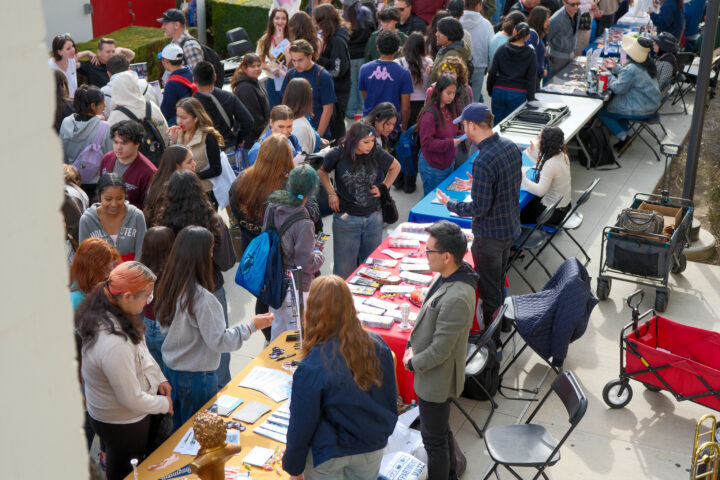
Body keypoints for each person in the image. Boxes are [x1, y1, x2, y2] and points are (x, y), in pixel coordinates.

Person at [155, 226, 272, 429]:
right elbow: (220, 341)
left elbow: (162, 328)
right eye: (210, 250)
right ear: (200, 255)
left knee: (180, 431)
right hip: (197, 376)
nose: (212, 254)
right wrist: (252, 326)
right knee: (199, 434)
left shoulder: (169, 285)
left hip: (173, 369)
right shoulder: (202, 298)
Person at [283, 275, 397, 480]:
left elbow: (301, 423)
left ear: (313, 311)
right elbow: (389, 398)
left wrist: (294, 468)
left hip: (329, 453)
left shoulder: (313, 365)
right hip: (371, 445)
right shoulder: (378, 344)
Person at [76, 261, 171, 480]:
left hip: (114, 416)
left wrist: (158, 377)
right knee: (124, 472)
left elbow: (142, 347)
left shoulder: (113, 308)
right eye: (147, 295)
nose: (150, 301)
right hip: (122, 424)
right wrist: (163, 404)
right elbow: (131, 398)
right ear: (128, 296)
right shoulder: (114, 343)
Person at [402, 220, 478, 480]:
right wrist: (412, 344)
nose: (425, 255)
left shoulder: (457, 296)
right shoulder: (448, 276)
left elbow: (440, 351)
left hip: (437, 380)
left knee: (433, 442)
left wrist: (412, 362)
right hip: (433, 375)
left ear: (447, 257)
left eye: (429, 251)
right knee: (440, 431)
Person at [436, 103, 522, 326]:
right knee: (498, 283)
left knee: (489, 294)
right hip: (509, 230)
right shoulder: (510, 146)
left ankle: (493, 350)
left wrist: (450, 204)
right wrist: (477, 184)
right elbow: (507, 183)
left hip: (490, 237)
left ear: (472, 125)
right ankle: (503, 326)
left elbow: (479, 209)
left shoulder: (483, 159)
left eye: (464, 125)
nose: (463, 129)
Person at [152, 170, 237, 387]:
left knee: (180, 340)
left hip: (174, 291)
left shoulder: (162, 225)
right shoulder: (213, 221)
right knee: (219, 340)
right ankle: (220, 389)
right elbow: (227, 262)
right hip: (210, 288)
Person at [230, 135, 295, 341]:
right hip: (279, 252)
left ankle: (267, 334)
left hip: (253, 246)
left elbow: (235, 213)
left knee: (262, 293)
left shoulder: (242, 179)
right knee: (281, 295)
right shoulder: (288, 185)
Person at [318, 121, 401, 279]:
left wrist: (383, 187)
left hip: (374, 218)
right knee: (344, 272)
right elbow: (322, 171)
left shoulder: (375, 151)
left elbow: (395, 167)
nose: (370, 145)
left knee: (372, 268)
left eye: (372, 141)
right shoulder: (339, 153)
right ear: (354, 140)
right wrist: (331, 193)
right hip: (346, 220)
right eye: (366, 142)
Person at [263, 165, 325, 340]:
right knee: (297, 338)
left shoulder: (272, 207)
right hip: (295, 286)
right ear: (311, 191)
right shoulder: (304, 222)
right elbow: (305, 263)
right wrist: (319, 254)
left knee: (278, 333)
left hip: (273, 281)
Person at [598, 35, 662, 151]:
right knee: (614, 108)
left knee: (602, 111)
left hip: (641, 109)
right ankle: (623, 134)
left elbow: (618, 88)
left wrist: (607, 75)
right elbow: (629, 74)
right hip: (650, 106)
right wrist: (615, 67)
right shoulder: (648, 64)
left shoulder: (632, 68)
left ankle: (624, 137)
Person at [166, 97, 224, 209]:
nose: (179, 121)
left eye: (184, 117)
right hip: (180, 191)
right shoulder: (178, 134)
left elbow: (216, 169)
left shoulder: (208, 137)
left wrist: (191, 177)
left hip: (203, 192)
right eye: (178, 116)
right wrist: (172, 142)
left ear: (196, 118)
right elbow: (171, 163)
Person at [79, 173, 147, 262]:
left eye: (119, 198)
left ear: (125, 196)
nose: (114, 204)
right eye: (108, 199)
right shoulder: (87, 220)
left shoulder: (137, 216)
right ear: (99, 197)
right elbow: (84, 256)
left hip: (131, 273)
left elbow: (141, 253)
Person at [59, 86, 113, 197]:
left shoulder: (66, 122)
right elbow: (110, 157)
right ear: (93, 106)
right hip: (95, 183)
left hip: (71, 181)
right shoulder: (104, 127)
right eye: (102, 103)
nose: (105, 105)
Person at [281, 39, 337, 138]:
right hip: (294, 133)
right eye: (293, 60)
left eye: (300, 60)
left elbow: (328, 110)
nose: (296, 64)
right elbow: (284, 105)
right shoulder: (290, 74)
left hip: (316, 132)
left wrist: (317, 137)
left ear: (310, 56)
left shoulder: (323, 76)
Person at [359, 29, 414, 130]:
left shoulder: (364, 69)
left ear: (378, 48)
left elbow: (365, 97)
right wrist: (404, 128)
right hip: (392, 126)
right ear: (397, 49)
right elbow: (405, 108)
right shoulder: (404, 73)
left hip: (368, 124)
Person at [193, 61, 253, 151]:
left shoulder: (191, 104)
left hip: (204, 151)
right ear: (215, 77)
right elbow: (248, 121)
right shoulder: (228, 96)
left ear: (194, 80)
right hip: (228, 146)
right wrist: (238, 138)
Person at [418, 75, 464, 195]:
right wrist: (451, 143)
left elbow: (453, 131)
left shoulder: (450, 109)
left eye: (454, 93)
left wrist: (466, 133)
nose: (451, 96)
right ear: (438, 91)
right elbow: (427, 143)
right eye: (448, 92)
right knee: (431, 200)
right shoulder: (429, 115)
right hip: (433, 166)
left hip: (448, 162)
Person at [138, 226, 175, 373]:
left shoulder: (140, 271)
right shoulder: (172, 273)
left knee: (156, 374)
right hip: (167, 327)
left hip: (147, 325)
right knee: (171, 375)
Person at [100, 120, 158, 210]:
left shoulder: (149, 172)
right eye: (116, 142)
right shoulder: (107, 159)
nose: (118, 147)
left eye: (124, 143)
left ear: (137, 144)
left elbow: (148, 207)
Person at [314, 4, 352, 139]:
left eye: (317, 21)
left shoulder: (337, 40)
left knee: (337, 129)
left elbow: (338, 70)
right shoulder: (333, 36)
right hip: (336, 90)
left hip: (338, 92)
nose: (316, 24)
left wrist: (320, 61)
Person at [520, 126, 572, 224]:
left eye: (539, 138)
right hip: (564, 206)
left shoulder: (551, 164)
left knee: (517, 213)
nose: (537, 140)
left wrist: (523, 179)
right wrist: (533, 153)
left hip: (552, 214)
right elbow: (545, 167)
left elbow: (540, 192)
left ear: (546, 142)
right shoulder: (562, 155)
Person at [487, 22, 537, 122]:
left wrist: (490, 89)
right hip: (518, 92)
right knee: (512, 124)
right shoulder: (530, 53)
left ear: (514, 31)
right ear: (528, 36)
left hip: (499, 90)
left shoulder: (502, 49)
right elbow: (532, 77)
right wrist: (531, 98)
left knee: (497, 123)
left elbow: (492, 72)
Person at [107, 71, 169, 141]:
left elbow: (110, 142)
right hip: (157, 150)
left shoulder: (116, 115)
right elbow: (165, 131)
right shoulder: (151, 106)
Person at [144, 145, 197, 224]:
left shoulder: (155, 184)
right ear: (177, 166)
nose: (194, 164)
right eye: (189, 162)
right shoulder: (178, 189)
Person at [343, 0, 377, 119]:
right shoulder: (366, 13)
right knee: (364, 84)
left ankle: (351, 111)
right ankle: (364, 109)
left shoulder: (343, 17)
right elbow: (374, 29)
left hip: (350, 55)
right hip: (364, 54)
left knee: (352, 84)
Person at [231, 53, 271, 149]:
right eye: (253, 66)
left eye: (259, 65)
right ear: (245, 68)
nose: (257, 69)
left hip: (257, 138)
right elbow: (255, 119)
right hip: (251, 141)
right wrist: (267, 134)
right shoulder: (245, 88)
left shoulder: (254, 81)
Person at [69, 238, 121, 311]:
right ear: (92, 270)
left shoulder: (96, 286)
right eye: (105, 269)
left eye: (113, 264)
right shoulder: (75, 299)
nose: (111, 272)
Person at [395, 32, 433, 126]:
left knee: (405, 134)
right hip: (424, 103)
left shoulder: (398, 62)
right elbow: (430, 83)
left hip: (404, 103)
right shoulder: (429, 62)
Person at [461, 0, 494, 102]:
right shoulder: (486, 24)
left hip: (460, 65)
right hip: (479, 65)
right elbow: (491, 47)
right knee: (474, 98)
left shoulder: (458, 21)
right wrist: (489, 66)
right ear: (479, 5)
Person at [257, 7, 290, 108]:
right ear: (272, 20)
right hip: (274, 79)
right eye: (277, 18)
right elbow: (260, 63)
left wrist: (282, 41)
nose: (280, 21)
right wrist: (271, 68)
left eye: (283, 18)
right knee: (276, 110)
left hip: (290, 78)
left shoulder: (291, 37)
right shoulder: (265, 40)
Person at [282, 78, 324, 153]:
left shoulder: (302, 117)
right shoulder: (300, 126)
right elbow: (302, 161)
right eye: (310, 90)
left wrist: (319, 140)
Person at [159, 44, 197, 126]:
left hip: (180, 122)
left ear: (166, 61)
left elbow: (166, 112)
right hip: (192, 115)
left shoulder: (171, 84)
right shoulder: (189, 71)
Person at [157, 8, 204, 73]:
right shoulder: (174, 43)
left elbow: (198, 78)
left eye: (166, 23)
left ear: (176, 25)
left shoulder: (189, 46)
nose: (162, 27)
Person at [429, 17, 472, 83]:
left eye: (440, 32)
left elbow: (447, 82)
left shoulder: (452, 56)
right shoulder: (447, 48)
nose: (436, 34)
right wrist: (434, 69)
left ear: (449, 34)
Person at [546, 0, 580, 78]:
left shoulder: (578, 12)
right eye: (573, 5)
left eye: (578, 4)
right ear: (564, 2)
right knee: (556, 84)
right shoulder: (556, 19)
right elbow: (547, 37)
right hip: (557, 59)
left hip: (570, 55)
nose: (576, 7)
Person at [49, 33, 80, 99]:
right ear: (59, 52)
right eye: (68, 49)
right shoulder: (49, 66)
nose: (73, 50)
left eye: (73, 46)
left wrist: (88, 52)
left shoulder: (71, 61)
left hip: (73, 103)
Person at [527, 6, 551, 84]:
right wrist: (541, 71)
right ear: (540, 20)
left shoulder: (536, 34)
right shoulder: (532, 35)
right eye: (547, 18)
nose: (548, 21)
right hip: (532, 79)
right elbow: (530, 58)